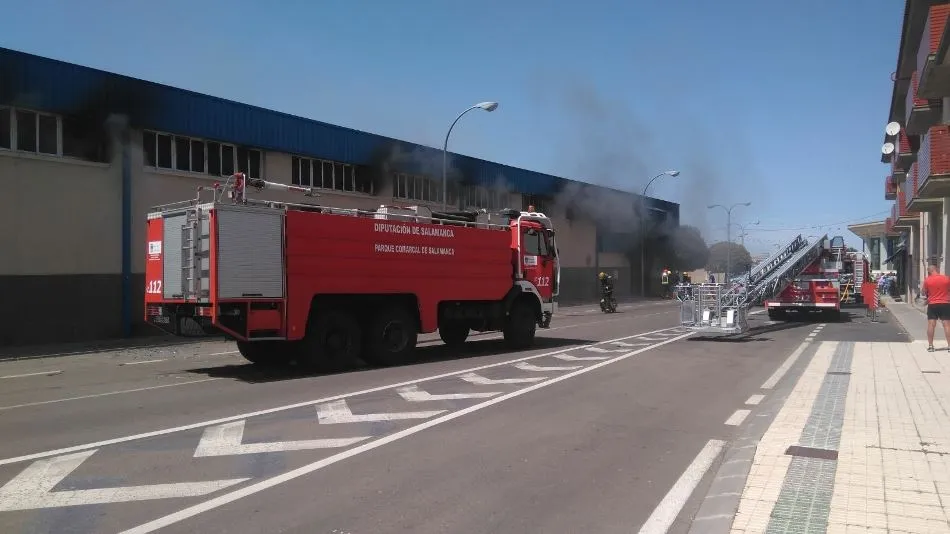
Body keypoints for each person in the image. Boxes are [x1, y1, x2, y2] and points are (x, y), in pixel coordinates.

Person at [921, 262, 950, 352]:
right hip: (945, 303)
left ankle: (931, 346)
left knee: (931, 325)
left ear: (929, 271)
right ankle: (949, 346)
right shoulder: (946, 279)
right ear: (936, 269)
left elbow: (923, 292)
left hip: (933, 304)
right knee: (947, 325)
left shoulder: (927, 280)